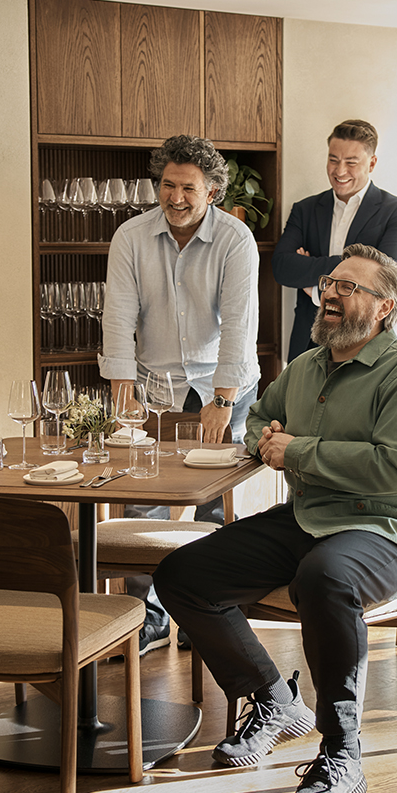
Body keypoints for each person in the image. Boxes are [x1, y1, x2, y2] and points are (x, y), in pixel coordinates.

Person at [154, 244, 397, 793]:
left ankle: (342, 752)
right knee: (182, 575)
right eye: (329, 283)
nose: (331, 294)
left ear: (384, 308)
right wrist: (267, 439)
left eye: (348, 287)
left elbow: (396, 471)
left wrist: (299, 451)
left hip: (386, 526)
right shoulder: (309, 364)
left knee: (325, 577)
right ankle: (273, 698)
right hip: (310, 517)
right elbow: (261, 416)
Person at [99, 134, 260, 653]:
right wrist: (123, 389)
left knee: (215, 508)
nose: (176, 197)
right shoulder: (131, 236)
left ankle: (203, 611)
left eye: (188, 187)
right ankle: (147, 618)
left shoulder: (236, 240)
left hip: (221, 382)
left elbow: (239, 324)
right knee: (141, 501)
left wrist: (223, 399)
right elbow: (119, 315)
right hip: (155, 385)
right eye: (168, 185)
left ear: (212, 190)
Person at [272, 119, 397, 362]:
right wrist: (355, 273)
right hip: (308, 341)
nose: (339, 171)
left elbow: (387, 278)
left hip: (365, 341)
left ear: (372, 163)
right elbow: (282, 268)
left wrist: (313, 284)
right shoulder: (305, 209)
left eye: (351, 162)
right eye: (333, 160)